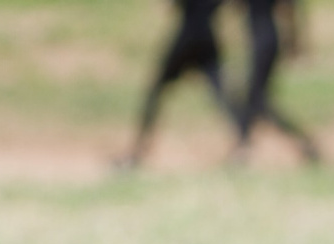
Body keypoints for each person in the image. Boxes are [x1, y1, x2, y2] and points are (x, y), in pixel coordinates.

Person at [119, 0, 241, 169]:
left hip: (187, 36)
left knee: (157, 90)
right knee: (221, 94)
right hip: (208, 37)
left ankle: (138, 149)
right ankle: (243, 142)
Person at [235, 0, 320, 164]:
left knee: (257, 99)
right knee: (254, 98)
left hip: (261, 43)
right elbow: (290, 9)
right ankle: (242, 145)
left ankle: (244, 146)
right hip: (268, 40)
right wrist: (294, 41)